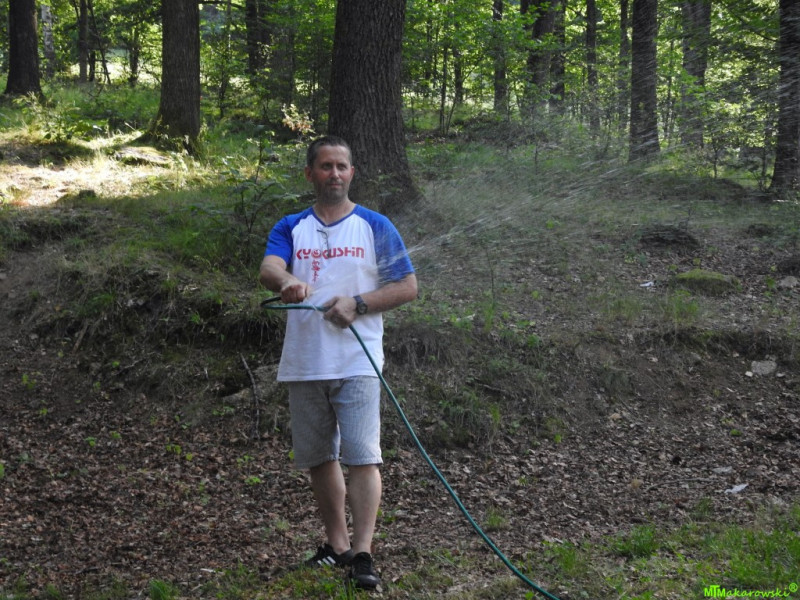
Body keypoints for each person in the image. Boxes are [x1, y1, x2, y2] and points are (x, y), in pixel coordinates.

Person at [259, 135, 418, 590]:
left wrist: (358, 304)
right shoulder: (291, 225)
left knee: (362, 457)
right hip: (305, 361)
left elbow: (407, 286)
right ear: (310, 173)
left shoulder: (374, 224)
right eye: (325, 166)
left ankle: (364, 554)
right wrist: (287, 281)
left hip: (357, 361)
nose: (334, 174)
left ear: (352, 173)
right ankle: (338, 546)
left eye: (341, 166)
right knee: (319, 458)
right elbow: (269, 268)